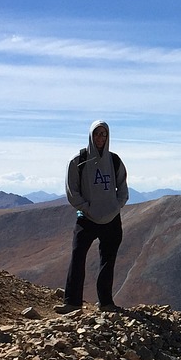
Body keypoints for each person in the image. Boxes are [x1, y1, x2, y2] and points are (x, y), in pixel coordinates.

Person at [56, 119, 129, 313]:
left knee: (108, 259)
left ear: (108, 137)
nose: (100, 138)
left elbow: (122, 188)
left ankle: (105, 302)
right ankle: (72, 302)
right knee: (78, 256)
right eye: (97, 134)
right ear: (90, 135)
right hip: (86, 218)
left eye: (103, 134)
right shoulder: (78, 160)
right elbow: (72, 190)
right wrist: (86, 207)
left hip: (112, 218)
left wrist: (116, 206)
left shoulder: (114, 161)